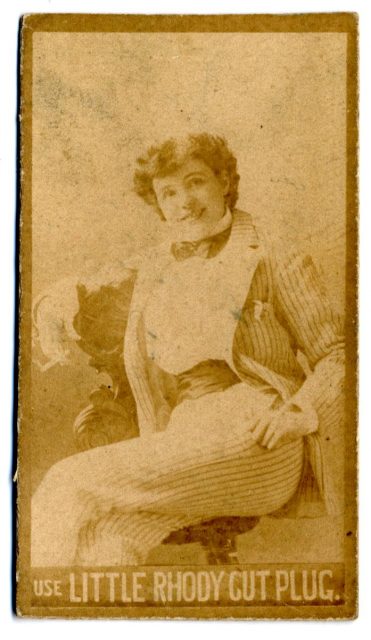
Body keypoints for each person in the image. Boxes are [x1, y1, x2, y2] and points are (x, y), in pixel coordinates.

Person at [31, 133, 345, 567]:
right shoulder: (159, 262)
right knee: (102, 534)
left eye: (196, 182)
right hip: (186, 430)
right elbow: (93, 286)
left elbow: (340, 352)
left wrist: (299, 412)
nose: (184, 202)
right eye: (169, 193)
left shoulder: (273, 254)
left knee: (69, 483)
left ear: (224, 182)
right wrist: (55, 300)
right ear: (159, 204)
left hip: (258, 432)